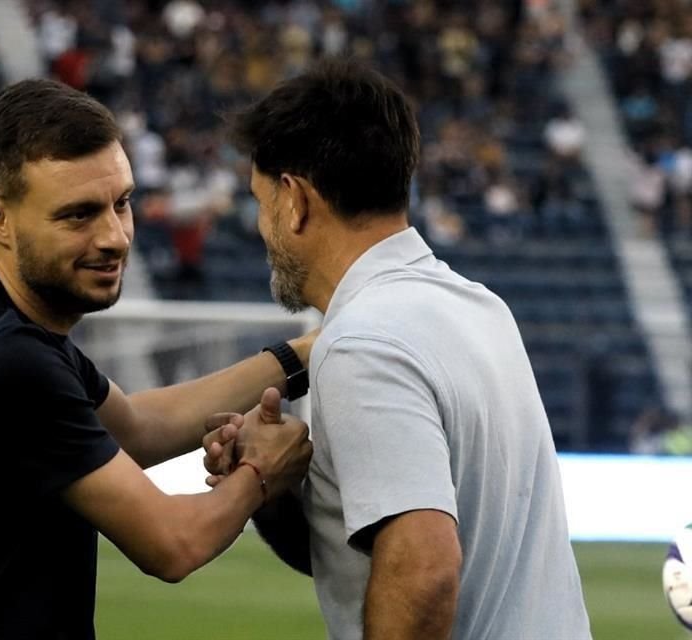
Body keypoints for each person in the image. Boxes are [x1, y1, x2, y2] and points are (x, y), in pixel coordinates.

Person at [0, 78, 314, 639]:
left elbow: (140, 429)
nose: (115, 237)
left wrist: (301, 356)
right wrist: (262, 471)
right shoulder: (2, 359)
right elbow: (172, 545)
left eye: (121, 203)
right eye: (78, 215)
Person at [204, 58, 592, 640]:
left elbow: (424, 571)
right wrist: (274, 494)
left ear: (294, 200)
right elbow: (374, 558)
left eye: (260, 203)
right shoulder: (480, 307)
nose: (261, 227)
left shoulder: (364, 343)